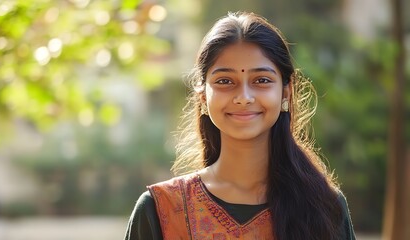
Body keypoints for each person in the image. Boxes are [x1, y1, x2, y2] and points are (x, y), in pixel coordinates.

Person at [125, 12, 356, 240]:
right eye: (225, 81)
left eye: (261, 80)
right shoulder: (160, 210)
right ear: (203, 96)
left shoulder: (324, 207)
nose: (244, 97)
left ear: (286, 91)